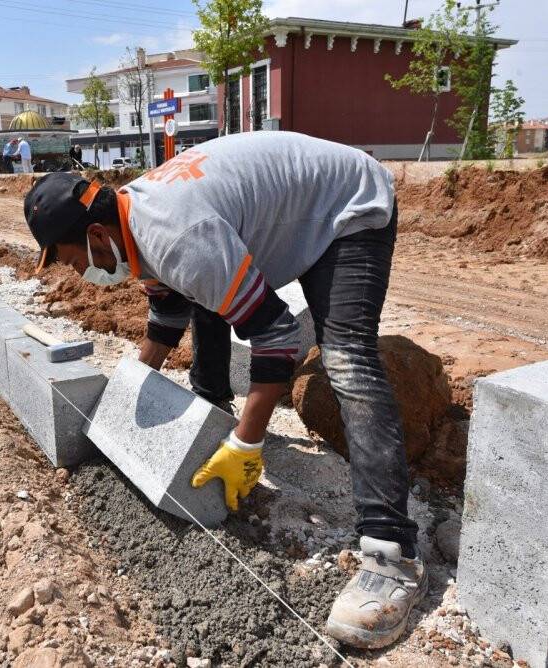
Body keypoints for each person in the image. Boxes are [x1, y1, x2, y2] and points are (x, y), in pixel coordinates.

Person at [23, 131, 424, 650]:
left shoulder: (174, 236)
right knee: (207, 295)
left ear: (97, 235)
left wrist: (246, 442)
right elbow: (168, 312)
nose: (78, 274)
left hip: (344, 205)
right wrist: (127, 393)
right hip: (286, 211)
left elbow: (277, 333)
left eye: (72, 260)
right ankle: (213, 404)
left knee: (346, 358)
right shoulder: (133, 221)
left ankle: (393, 556)